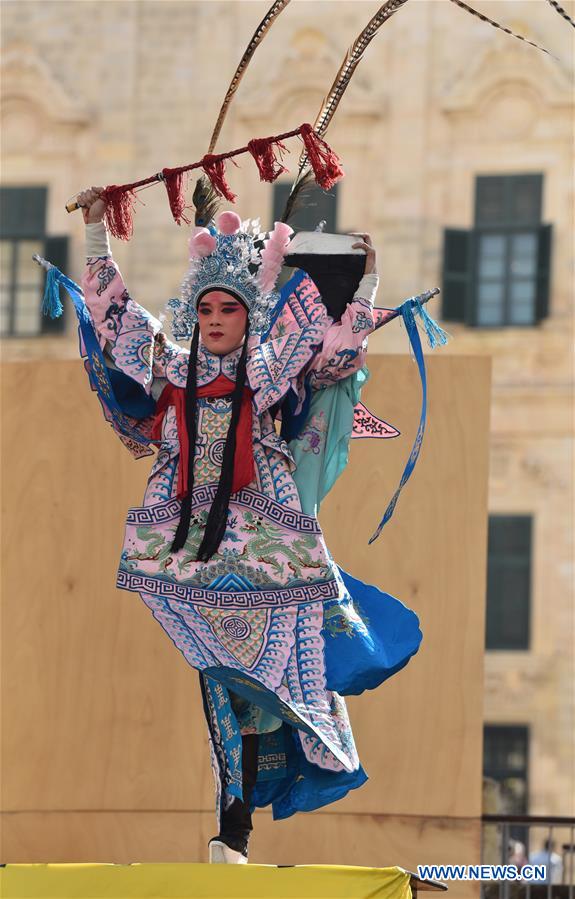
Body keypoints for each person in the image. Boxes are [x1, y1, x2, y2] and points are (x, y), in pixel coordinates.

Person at [74, 185, 423, 864]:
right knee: (217, 674)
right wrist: (95, 231)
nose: (211, 318)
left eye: (226, 307)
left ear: (247, 315)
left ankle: (239, 824)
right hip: (188, 549)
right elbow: (116, 317)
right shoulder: (171, 369)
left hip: (268, 546)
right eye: (203, 307)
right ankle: (230, 825)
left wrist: (366, 277)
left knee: (267, 690)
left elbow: (330, 352)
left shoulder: (269, 370)